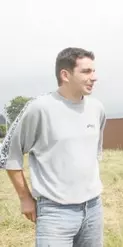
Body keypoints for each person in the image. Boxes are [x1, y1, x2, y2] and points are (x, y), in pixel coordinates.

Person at [0, 47, 106, 246]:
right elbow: (8, 154)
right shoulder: (39, 108)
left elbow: (93, 154)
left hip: (93, 208)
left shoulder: (97, 109)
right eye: (86, 71)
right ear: (65, 75)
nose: (94, 77)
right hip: (55, 214)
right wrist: (25, 198)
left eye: (94, 71)